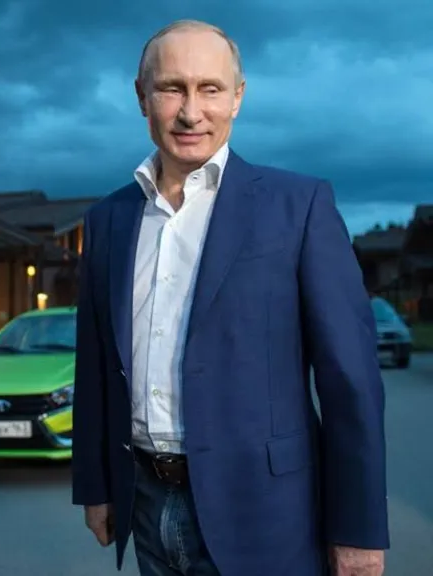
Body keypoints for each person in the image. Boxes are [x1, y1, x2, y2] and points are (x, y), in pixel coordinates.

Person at [72, 19, 389, 576]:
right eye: (172, 88)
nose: (191, 112)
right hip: (145, 501)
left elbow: (351, 381)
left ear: (237, 98)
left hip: (268, 516)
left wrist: (358, 529)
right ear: (141, 96)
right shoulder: (107, 220)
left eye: (210, 89)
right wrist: (96, 487)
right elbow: (96, 366)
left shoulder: (299, 206)